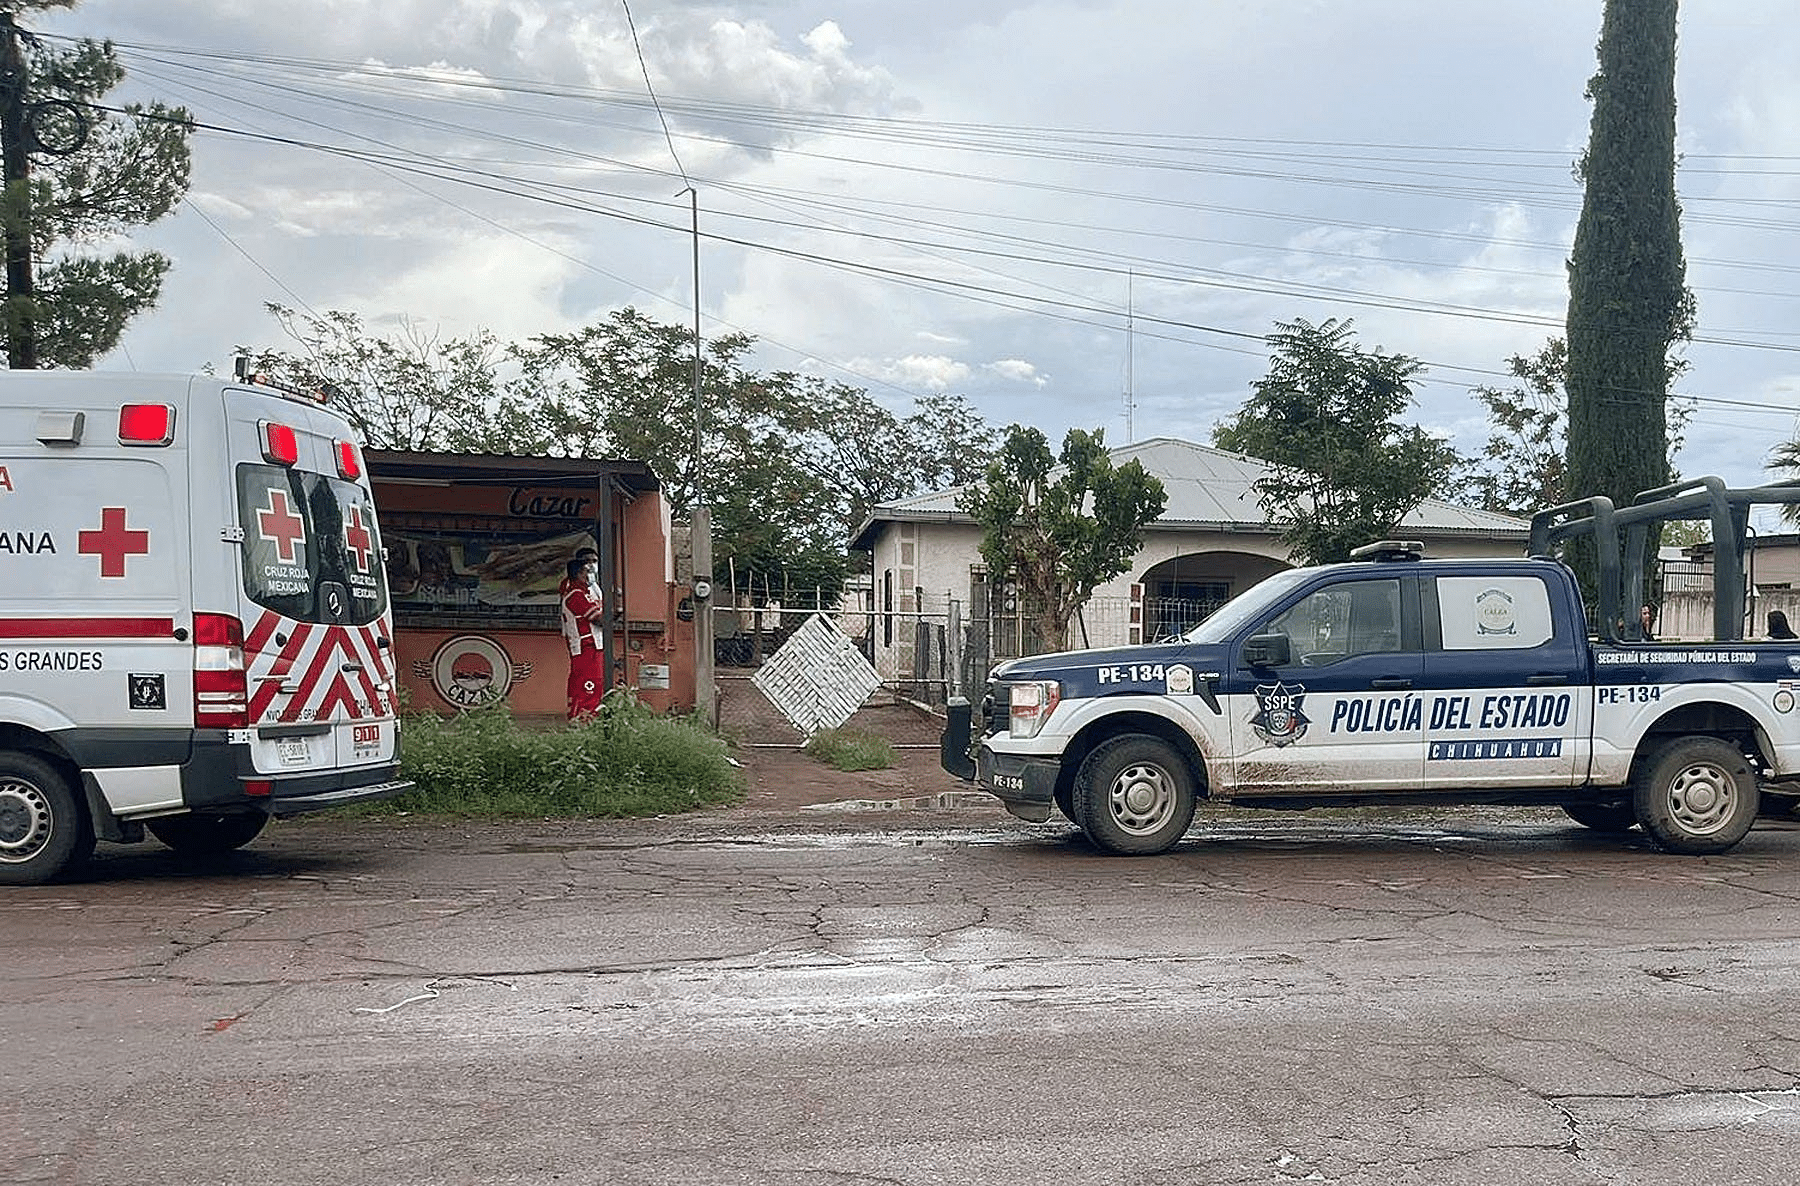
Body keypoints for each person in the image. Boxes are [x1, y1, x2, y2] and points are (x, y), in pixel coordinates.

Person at [561, 554, 605, 720]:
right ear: (578, 574)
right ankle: (584, 720)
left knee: (596, 684)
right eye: (587, 571)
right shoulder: (575, 595)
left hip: (594, 646)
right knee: (588, 685)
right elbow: (599, 619)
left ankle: (588, 717)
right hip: (586, 646)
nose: (590, 575)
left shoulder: (588, 593)